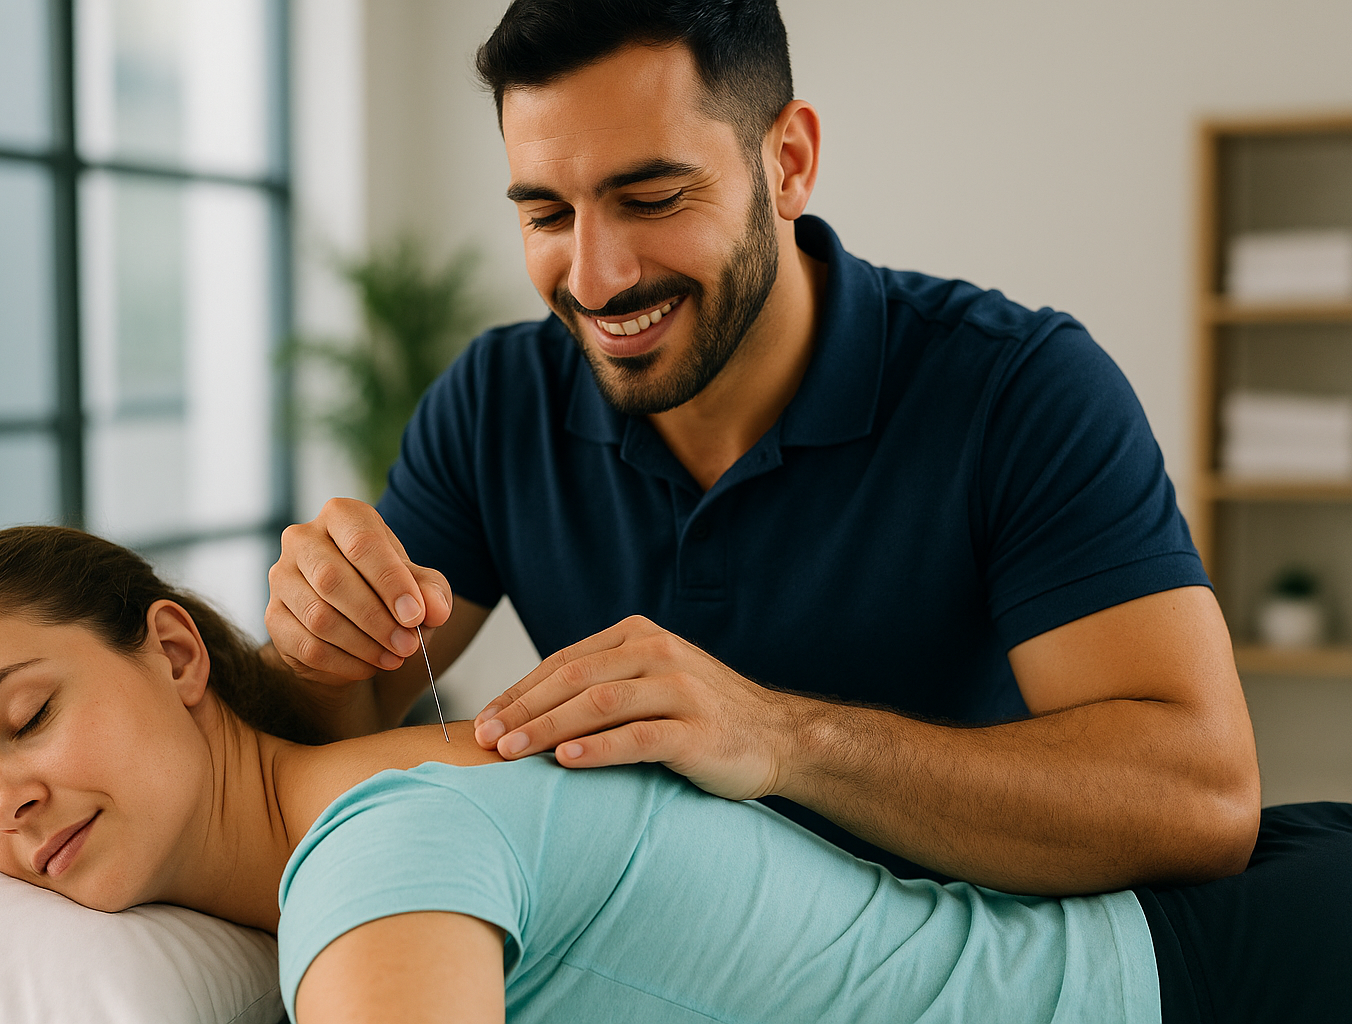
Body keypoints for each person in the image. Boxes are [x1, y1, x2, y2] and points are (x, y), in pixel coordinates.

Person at [265, 0, 1259, 893]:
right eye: (547, 214)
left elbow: (1202, 801)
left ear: (788, 163)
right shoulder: (496, 401)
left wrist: (782, 737)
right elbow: (329, 729)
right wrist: (320, 644)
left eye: (652, 199)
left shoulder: (1020, 387)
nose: (597, 279)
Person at [0, 527, 1352, 1024]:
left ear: (175, 653)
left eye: (27, 717)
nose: (3, 801)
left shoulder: (377, 866)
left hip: (1215, 979)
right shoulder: (395, 793)